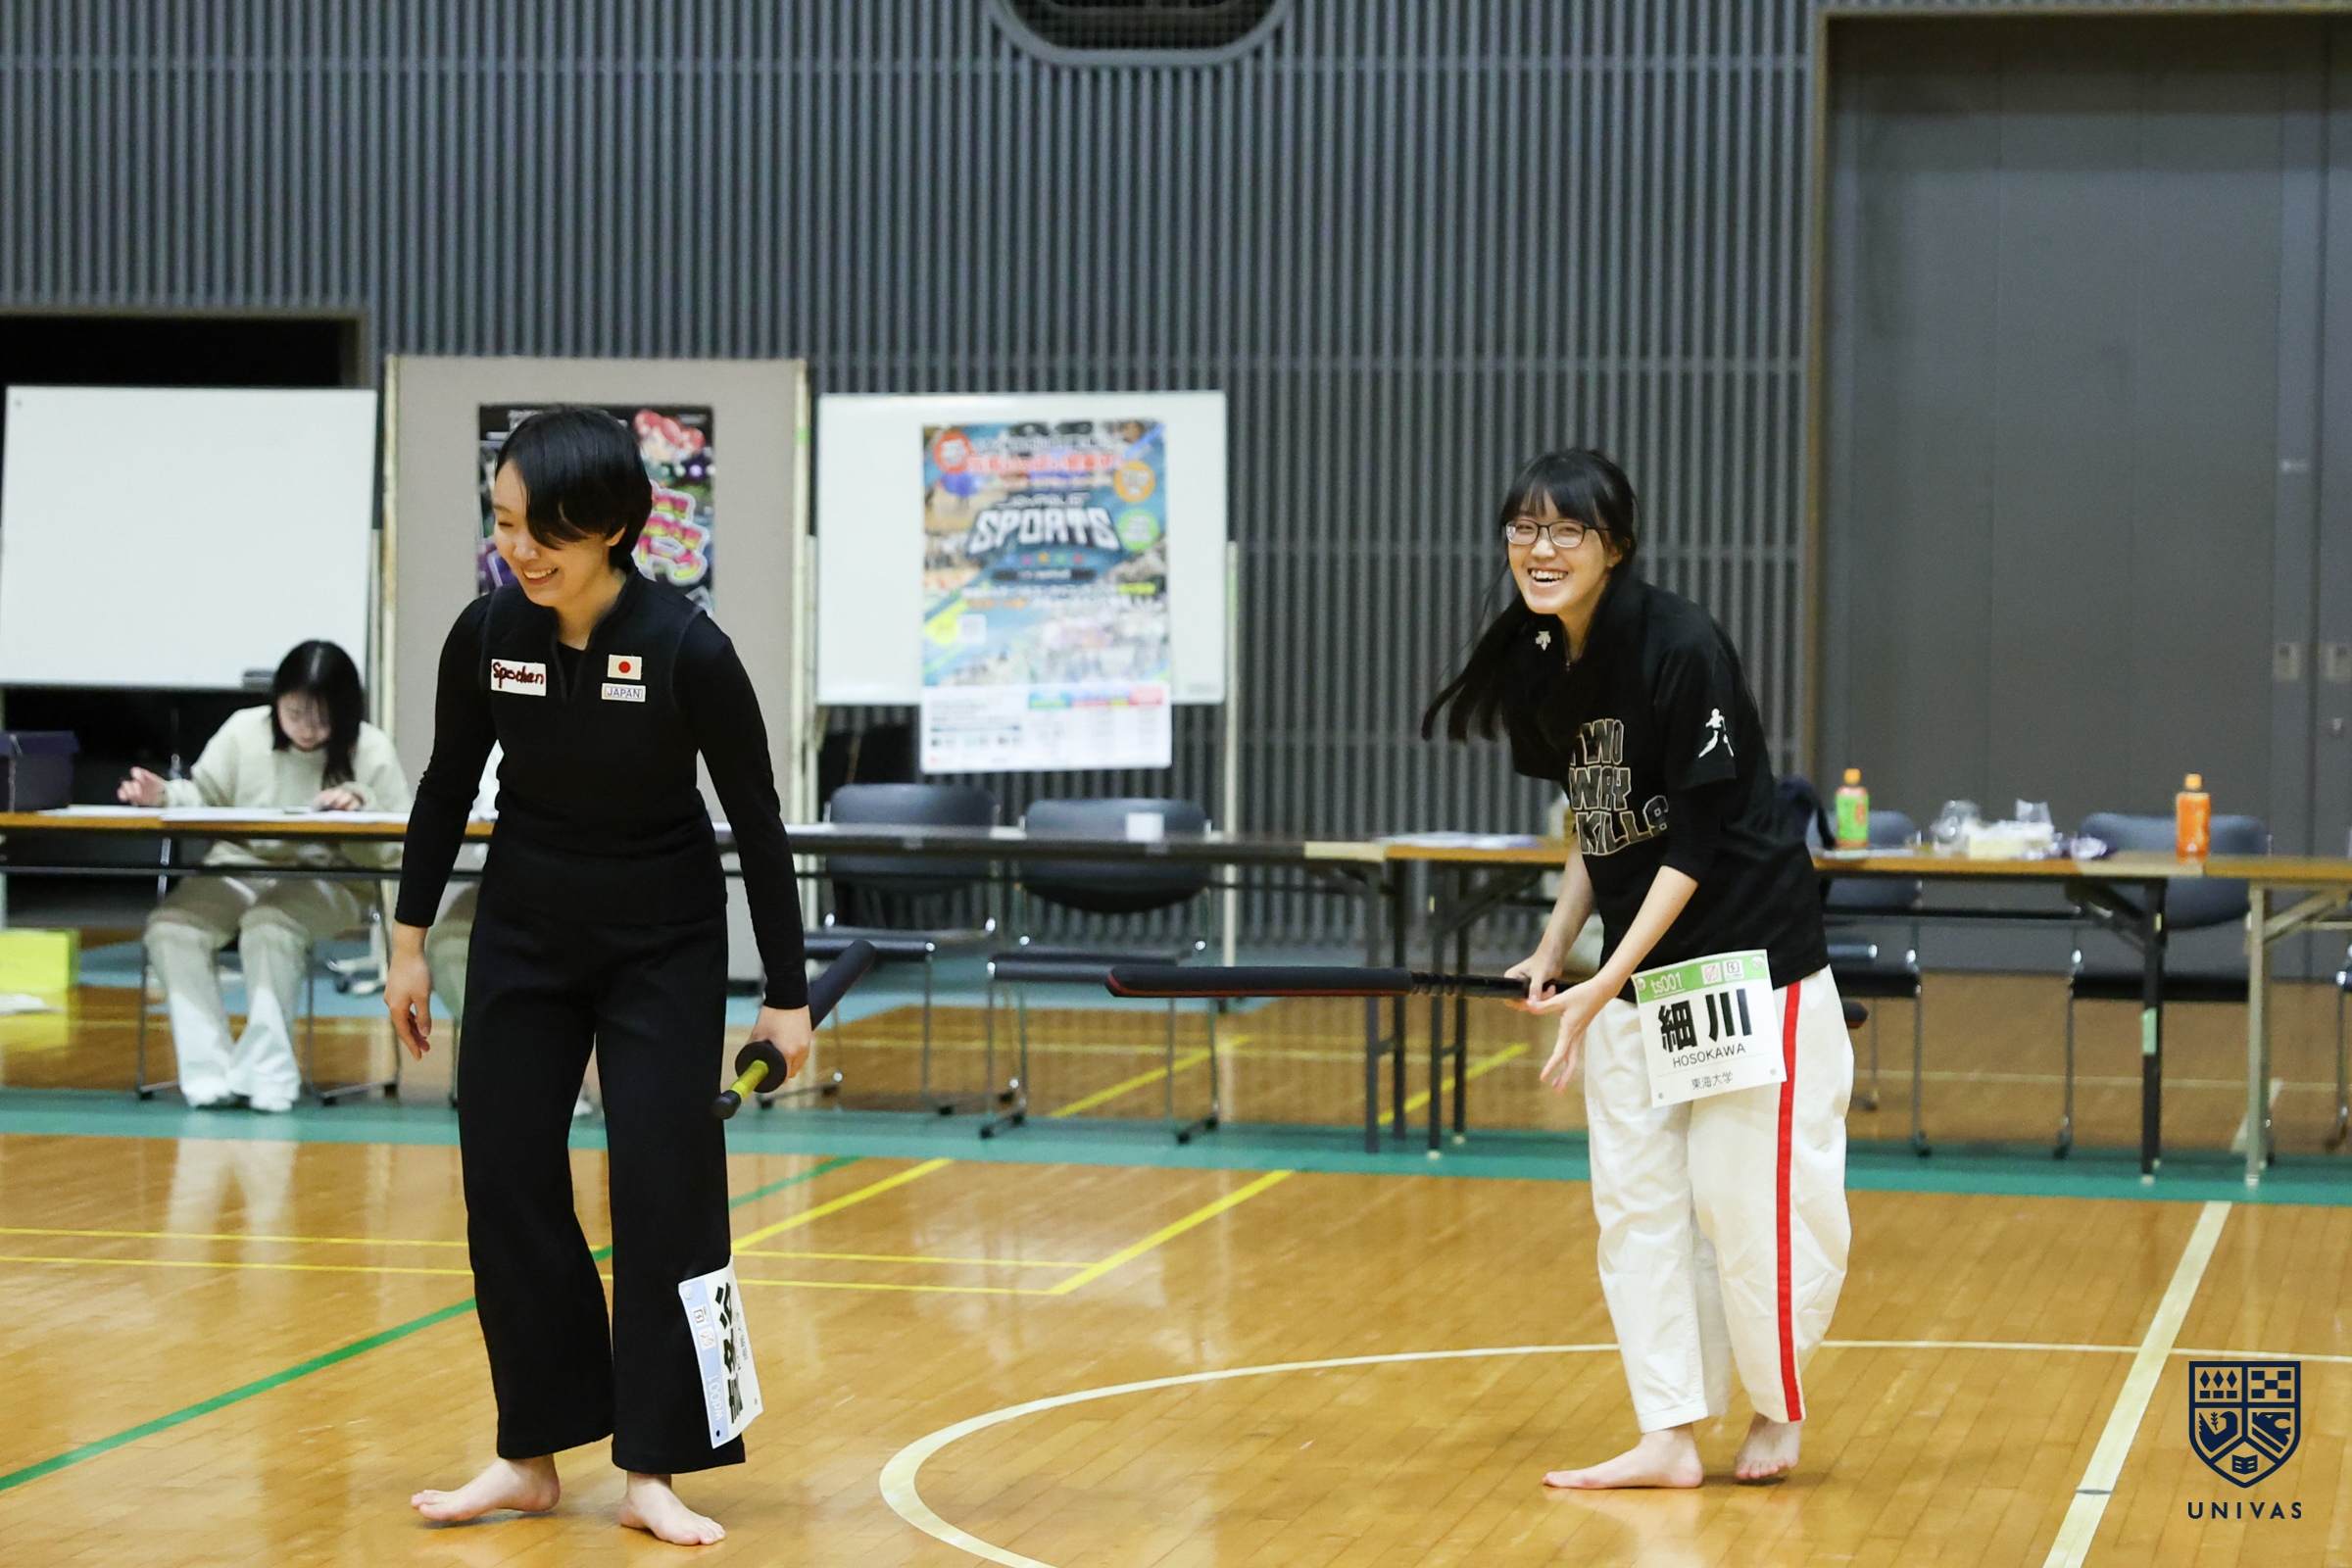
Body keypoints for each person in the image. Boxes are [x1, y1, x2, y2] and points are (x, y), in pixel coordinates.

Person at [389, 407, 812, 1546]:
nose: (520, 552)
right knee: (506, 1179)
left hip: (662, 945)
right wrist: (409, 940)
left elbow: (758, 823)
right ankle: (529, 1454)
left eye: (546, 533)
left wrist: (785, 992)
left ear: (616, 527)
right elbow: (445, 784)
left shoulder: (689, 649)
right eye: (505, 524)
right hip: (523, 932)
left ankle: (656, 1468)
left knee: (667, 1193)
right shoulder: (488, 632)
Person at [1423, 449, 1848, 1489]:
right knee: (1638, 1206)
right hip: (1633, 970)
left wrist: (1603, 979)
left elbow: (1693, 846)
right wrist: (1553, 945)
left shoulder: (1681, 645)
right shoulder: (1543, 656)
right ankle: (1668, 1433)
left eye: (1566, 530)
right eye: (1524, 528)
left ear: (1614, 544)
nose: (1541, 549)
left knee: (1748, 1204)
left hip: (1748, 968)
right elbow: (1601, 823)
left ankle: (1776, 1407)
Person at [121, 641, 410, 1112]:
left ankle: (268, 1074)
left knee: (270, 925)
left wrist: (361, 809)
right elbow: (204, 797)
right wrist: (163, 796)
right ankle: (210, 1073)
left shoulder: (371, 749)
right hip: (240, 863)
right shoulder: (243, 732)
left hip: (333, 876)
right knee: (171, 928)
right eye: (294, 713)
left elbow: (395, 848)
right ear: (276, 701)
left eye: (323, 717)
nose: (307, 728)